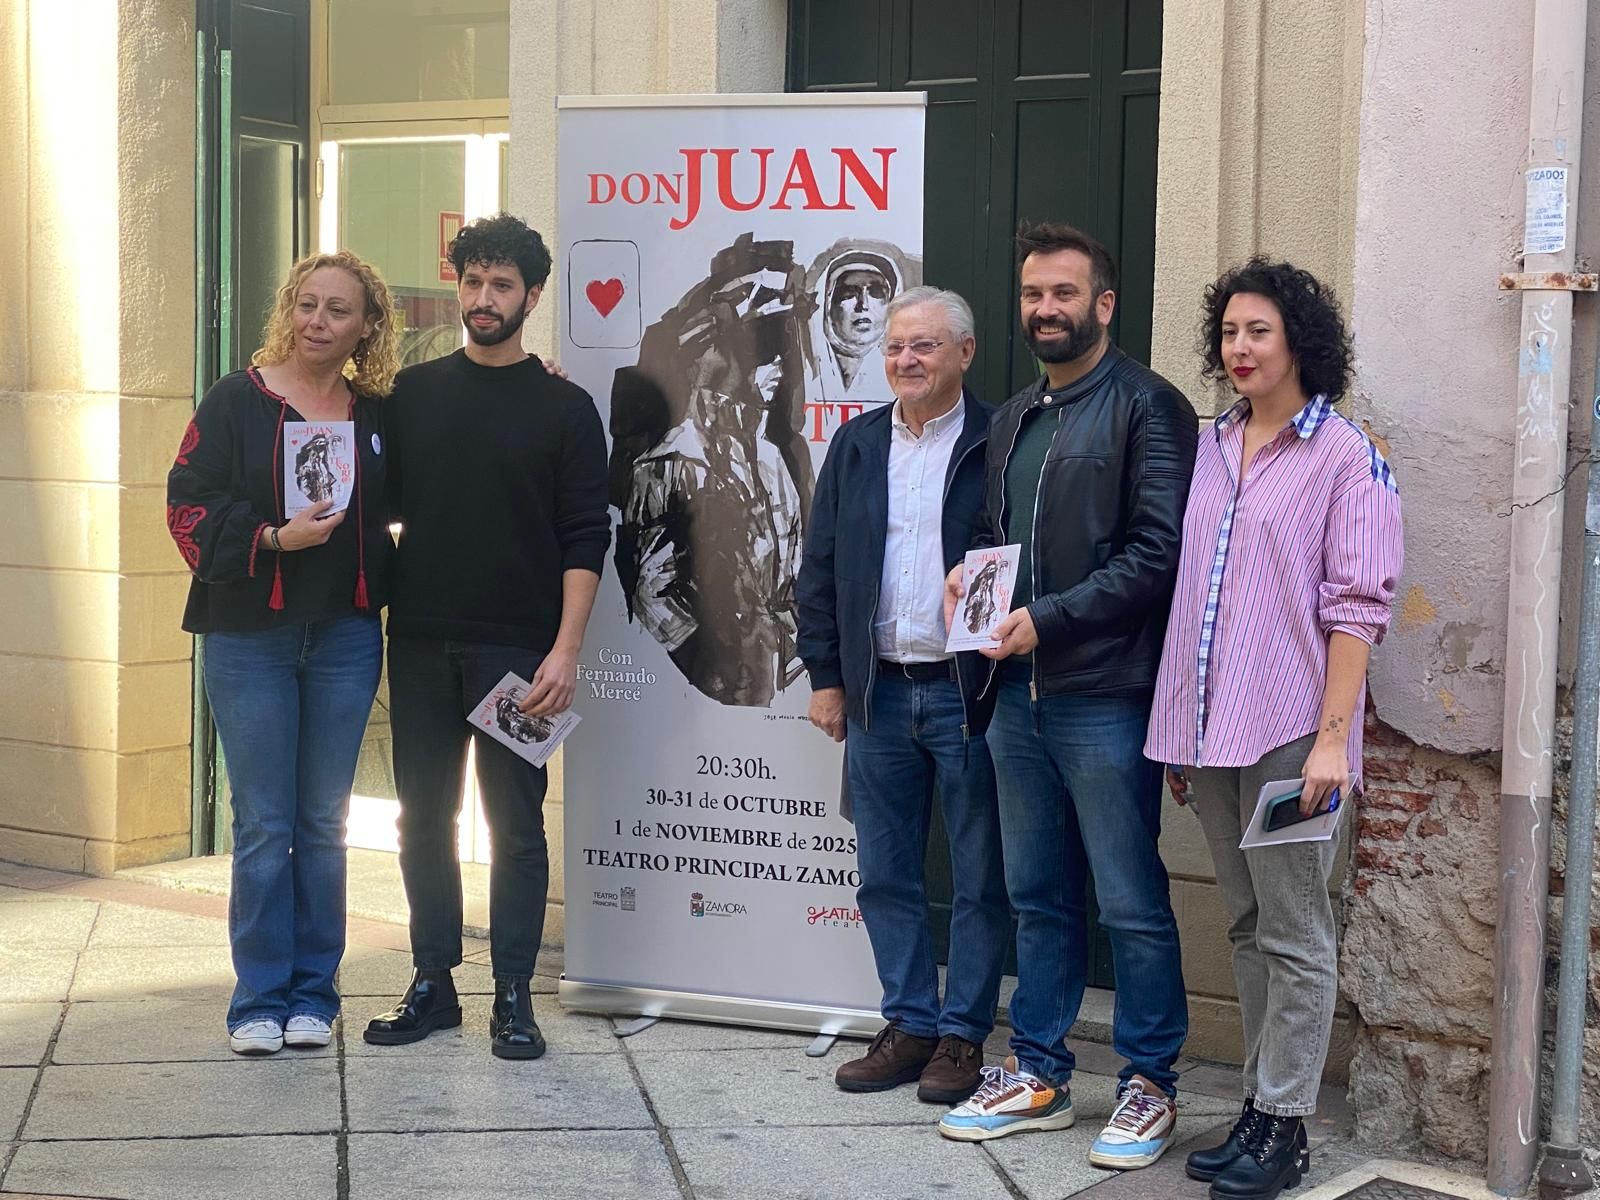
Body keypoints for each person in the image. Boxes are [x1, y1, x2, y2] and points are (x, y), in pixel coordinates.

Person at [938, 223, 1198, 1170]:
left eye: (1065, 293)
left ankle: (1149, 1083)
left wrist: (1047, 619)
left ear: (1105, 303)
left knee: (1129, 901)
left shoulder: (1149, 408)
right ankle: (1040, 1072)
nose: (1046, 309)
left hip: (1106, 694)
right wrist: (967, 590)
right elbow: (991, 541)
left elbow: (1157, 556)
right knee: (1037, 897)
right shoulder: (1010, 418)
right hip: (1017, 699)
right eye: (1034, 294)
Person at [1146, 259, 1402, 1200]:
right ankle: (1259, 1105)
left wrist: (1334, 740)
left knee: (1295, 928)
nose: (1239, 350)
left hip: (1296, 734)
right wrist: (1180, 728)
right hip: (1210, 730)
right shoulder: (1212, 448)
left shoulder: (1344, 455)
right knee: (1247, 921)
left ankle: (1287, 1124)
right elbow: (1189, 596)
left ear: (1299, 341)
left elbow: (1356, 610)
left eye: (1259, 331)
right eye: (1229, 333)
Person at [363, 214, 610, 1060]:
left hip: (521, 656)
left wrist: (566, 652)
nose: (483, 297)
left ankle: (513, 995)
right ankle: (434, 983)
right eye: (471, 281)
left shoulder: (567, 408)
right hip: (424, 643)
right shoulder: (412, 397)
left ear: (532, 297)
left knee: (516, 825)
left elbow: (587, 535)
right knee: (421, 819)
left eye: (502, 284)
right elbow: (377, 504)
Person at [167, 250, 401, 1055]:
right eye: (307, 304)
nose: (318, 322)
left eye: (338, 310)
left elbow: (442, 471)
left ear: (366, 326)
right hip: (250, 638)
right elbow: (186, 507)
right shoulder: (238, 399)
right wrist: (271, 538)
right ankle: (257, 999)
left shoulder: (375, 414)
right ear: (288, 310)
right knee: (264, 822)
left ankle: (315, 993)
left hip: (343, 637)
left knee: (323, 822)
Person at [797, 286, 1011, 1106]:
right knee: (884, 873)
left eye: (924, 346)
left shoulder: (1000, 441)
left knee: (978, 876)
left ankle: (962, 1036)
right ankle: (909, 1022)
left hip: (967, 695)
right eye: (895, 348)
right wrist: (826, 677)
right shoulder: (854, 445)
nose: (906, 361)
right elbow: (818, 571)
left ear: (964, 353)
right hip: (879, 696)